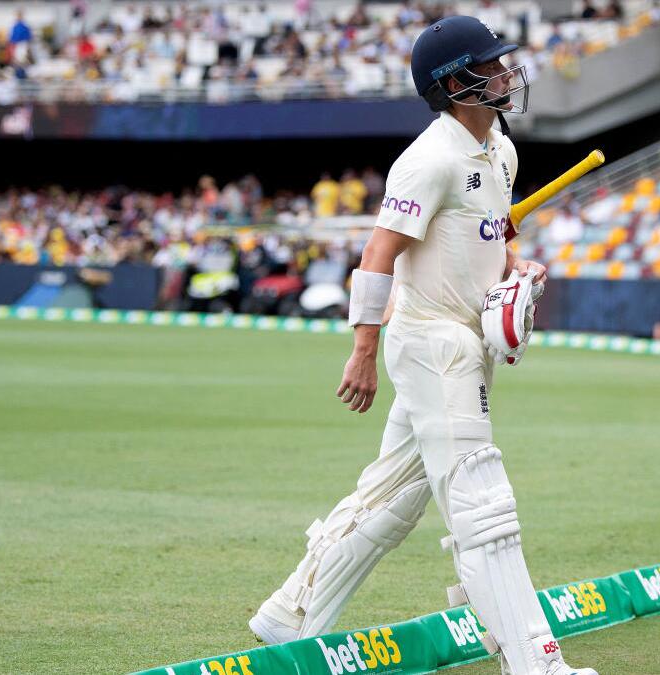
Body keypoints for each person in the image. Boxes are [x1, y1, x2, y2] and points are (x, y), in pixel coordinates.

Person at [249, 16, 597, 675]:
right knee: (482, 502)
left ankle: (289, 615)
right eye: (489, 66)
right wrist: (362, 348)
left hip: (468, 341)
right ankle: (537, 664)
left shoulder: (500, 147)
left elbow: (496, 230)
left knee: (392, 500)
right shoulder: (428, 160)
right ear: (454, 83)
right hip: (433, 344)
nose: (503, 75)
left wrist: (514, 266)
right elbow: (379, 253)